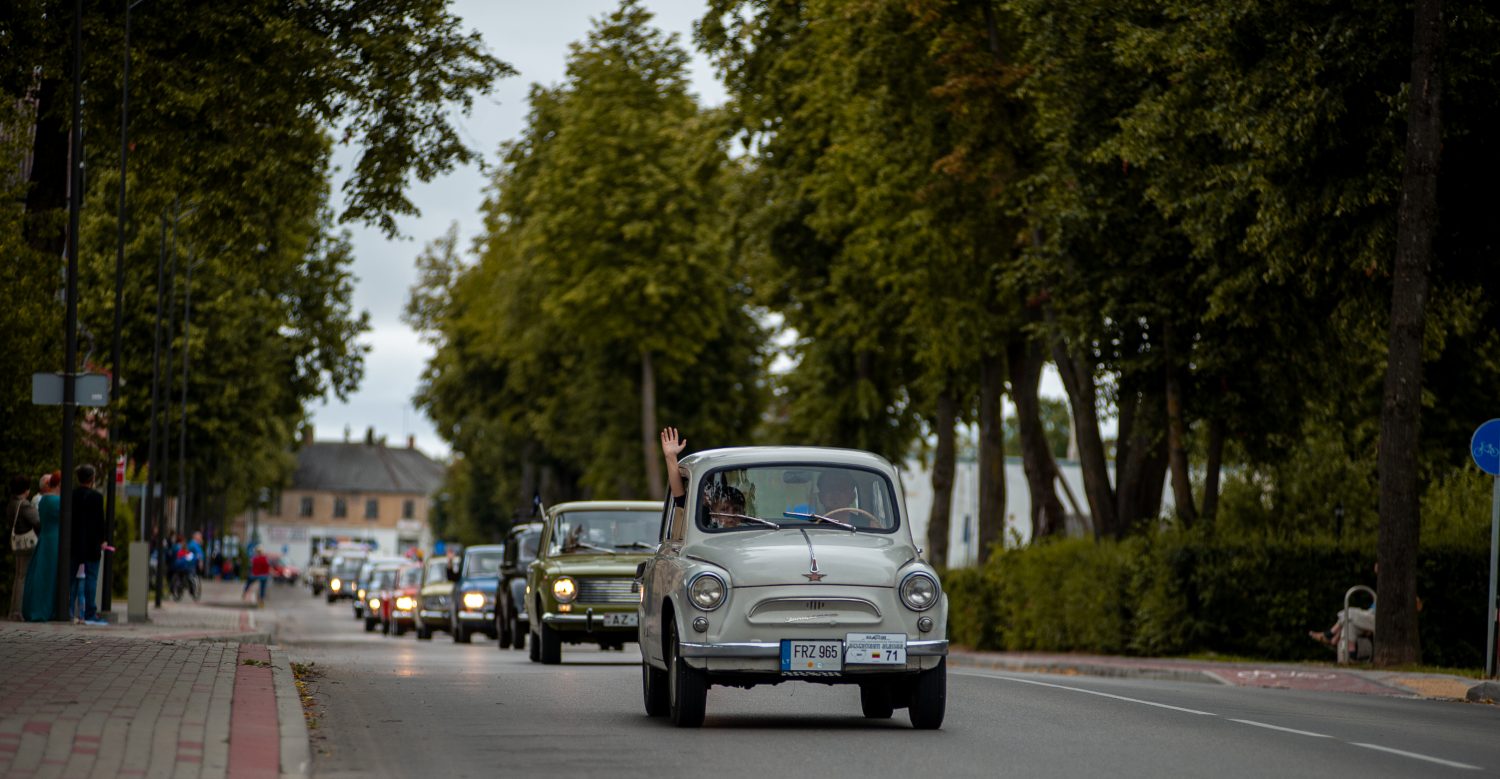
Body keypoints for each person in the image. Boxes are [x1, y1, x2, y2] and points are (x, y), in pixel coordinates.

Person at [660, 427, 746, 529]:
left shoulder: (750, 528)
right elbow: (679, 496)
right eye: (724, 510)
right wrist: (670, 456)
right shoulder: (702, 524)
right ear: (713, 513)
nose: (731, 516)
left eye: (736, 510)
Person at [69, 465, 108, 625]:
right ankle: (90, 612)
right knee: (91, 578)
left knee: (70, 578)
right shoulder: (97, 497)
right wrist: (102, 539)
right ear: (92, 479)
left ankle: (68, 610)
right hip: (92, 544)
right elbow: (100, 521)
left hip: (74, 542)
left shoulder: (72, 495)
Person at [23, 471, 61, 622]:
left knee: (40, 574)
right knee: (51, 576)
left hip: (44, 537)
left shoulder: (44, 499)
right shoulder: (57, 501)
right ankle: (47, 609)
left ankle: (35, 607)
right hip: (55, 539)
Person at [7, 475, 40, 620]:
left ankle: (13, 609)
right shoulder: (24, 505)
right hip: (27, 542)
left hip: (17, 542)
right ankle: (17, 611)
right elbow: (37, 521)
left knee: (18, 576)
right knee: (22, 576)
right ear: (25, 490)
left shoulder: (11, 503)